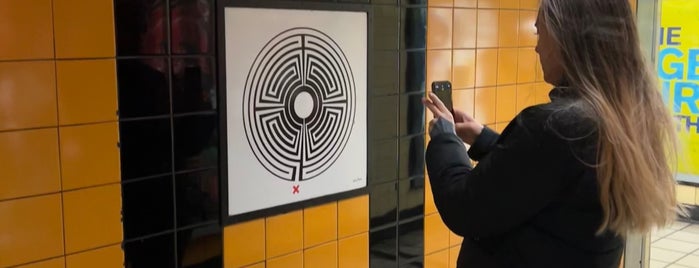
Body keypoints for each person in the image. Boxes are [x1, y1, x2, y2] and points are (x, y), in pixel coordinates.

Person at [423, 0, 680, 267]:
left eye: (539, 32)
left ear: (567, 37)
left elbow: (464, 207)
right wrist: (484, 139)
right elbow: (549, 175)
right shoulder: (619, 114)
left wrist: (445, 138)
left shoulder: (556, 126)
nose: (536, 47)